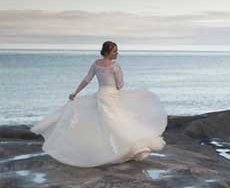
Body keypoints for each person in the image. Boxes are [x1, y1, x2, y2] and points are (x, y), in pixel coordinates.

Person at [31, 41, 167, 167]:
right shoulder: (115, 66)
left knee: (106, 122)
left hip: (101, 95)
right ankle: (131, 146)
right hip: (112, 95)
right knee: (117, 120)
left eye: (117, 51)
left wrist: (75, 93)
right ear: (108, 52)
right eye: (114, 51)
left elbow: (87, 80)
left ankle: (115, 149)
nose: (117, 54)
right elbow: (120, 85)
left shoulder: (96, 64)